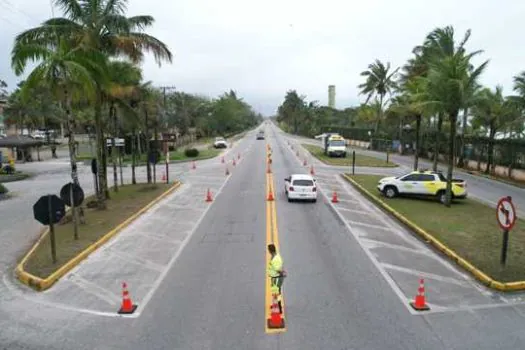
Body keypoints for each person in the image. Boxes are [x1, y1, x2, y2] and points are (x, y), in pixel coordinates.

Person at [267, 243, 285, 313]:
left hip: (277, 278)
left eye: (268, 250)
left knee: (276, 293)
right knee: (275, 293)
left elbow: (278, 269)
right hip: (275, 277)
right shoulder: (274, 256)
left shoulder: (275, 258)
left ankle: (279, 308)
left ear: (270, 251)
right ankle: (275, 305)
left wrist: (282, 273)